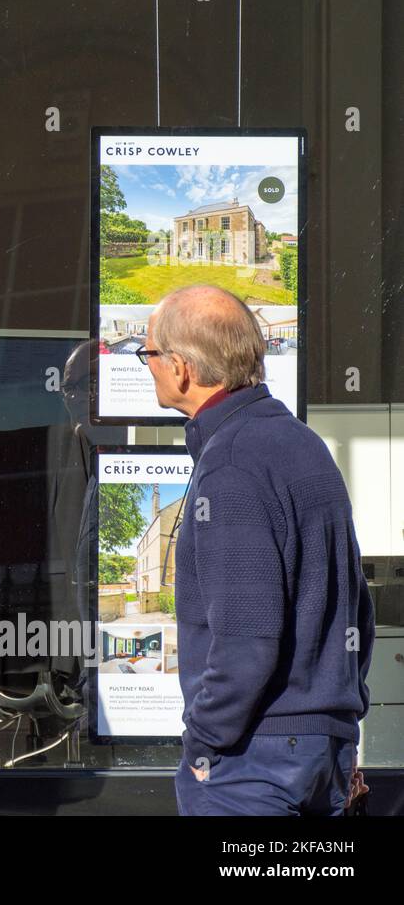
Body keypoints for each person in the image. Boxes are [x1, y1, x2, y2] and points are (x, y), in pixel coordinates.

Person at [141, 285, 373, 815]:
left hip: (252, 761)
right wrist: (338, 718)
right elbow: (357, 603)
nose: (147, 366)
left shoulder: (232, 463)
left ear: (180, 368)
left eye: (149, 354)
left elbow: (248, 638)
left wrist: (203, 740)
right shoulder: (301, 444)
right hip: (320, 750)